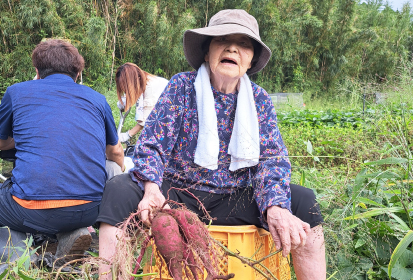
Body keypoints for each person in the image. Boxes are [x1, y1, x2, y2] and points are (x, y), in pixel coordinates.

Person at [97, 9, 326, 280]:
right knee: (118, 189)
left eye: (243, 44)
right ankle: (109, 275)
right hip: (179, 194)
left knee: (304, 201)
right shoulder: (182, 87)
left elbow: (272, 159)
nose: (232, 48)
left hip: (236, 195)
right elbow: (152, 144)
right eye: (222, 40)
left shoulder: (259, 99)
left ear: (251, 59)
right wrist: (151, 187)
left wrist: (275, 205)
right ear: (207, 52)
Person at [0, 39, 124, 266]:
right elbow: (115, 152)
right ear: (77, 73)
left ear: (37, 71)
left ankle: (18, 254)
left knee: (8, 205)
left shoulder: (16, 92)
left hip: (29, 212)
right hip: (89, 210)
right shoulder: (98, 99)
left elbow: (1, 143)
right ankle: (72, 233)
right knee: (113, 168)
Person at [115, 62, 168, 143]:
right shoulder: (141, 80)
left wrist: (127, 135)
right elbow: (133, 91)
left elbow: (146, 121)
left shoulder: (150, 87)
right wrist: (124, 100)